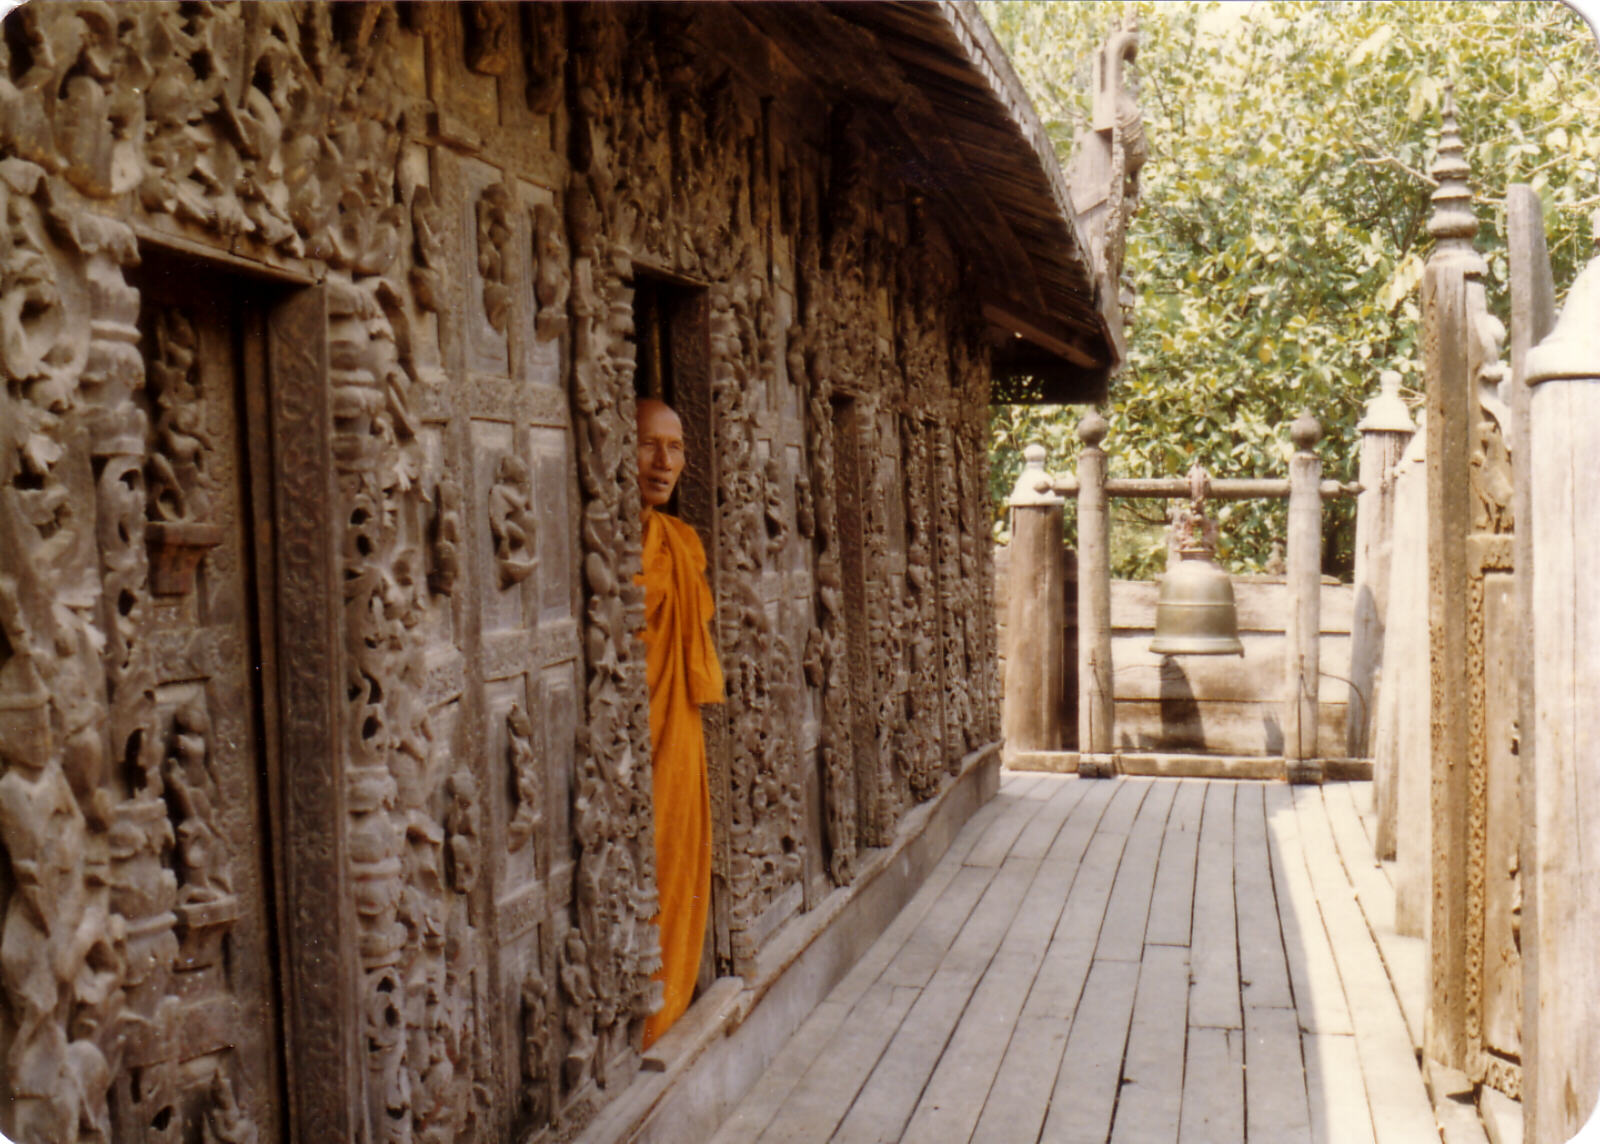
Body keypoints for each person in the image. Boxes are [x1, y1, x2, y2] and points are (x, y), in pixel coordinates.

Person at [635, 398, 724, 1049]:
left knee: (674, 861)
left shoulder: (680, 543)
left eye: (676, 447)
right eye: (647, 444)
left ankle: (662, 1012)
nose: (664, 461)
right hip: (620, 737)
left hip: (677, 731)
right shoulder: (596, 537)